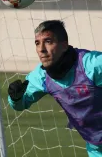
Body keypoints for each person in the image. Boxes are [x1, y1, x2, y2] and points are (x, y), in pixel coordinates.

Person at [8, 20, 102, 157]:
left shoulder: (93, 65)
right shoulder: (40, 77)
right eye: (37, 43)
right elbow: (20, 104)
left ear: (64, 45)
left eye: (48, 41)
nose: (41, 49)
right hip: (96, 149)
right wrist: (15, 97)